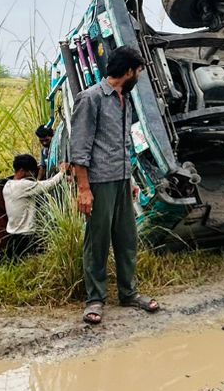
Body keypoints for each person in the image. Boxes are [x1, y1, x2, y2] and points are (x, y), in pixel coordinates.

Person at [69, 45, 161, 325]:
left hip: (121, 179)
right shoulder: (91, 98)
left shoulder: (124, 99)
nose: (140, 77)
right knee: (97, 241)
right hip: (99, 182)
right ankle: (94, 299)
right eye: (140, 71)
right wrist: (84, 189)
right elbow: (79, 149)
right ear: (129, 71)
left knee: (126, 238)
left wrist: (131, 178)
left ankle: (129, 293)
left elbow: (123, 145)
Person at [1, 152, 66, 258]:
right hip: (25, 237)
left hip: (12, 235)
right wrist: (62, 172)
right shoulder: (23, 185)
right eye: (31, 172)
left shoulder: (8, 185)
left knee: (15, 265)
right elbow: (49, 185)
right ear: (22, 171)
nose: (32, 175)